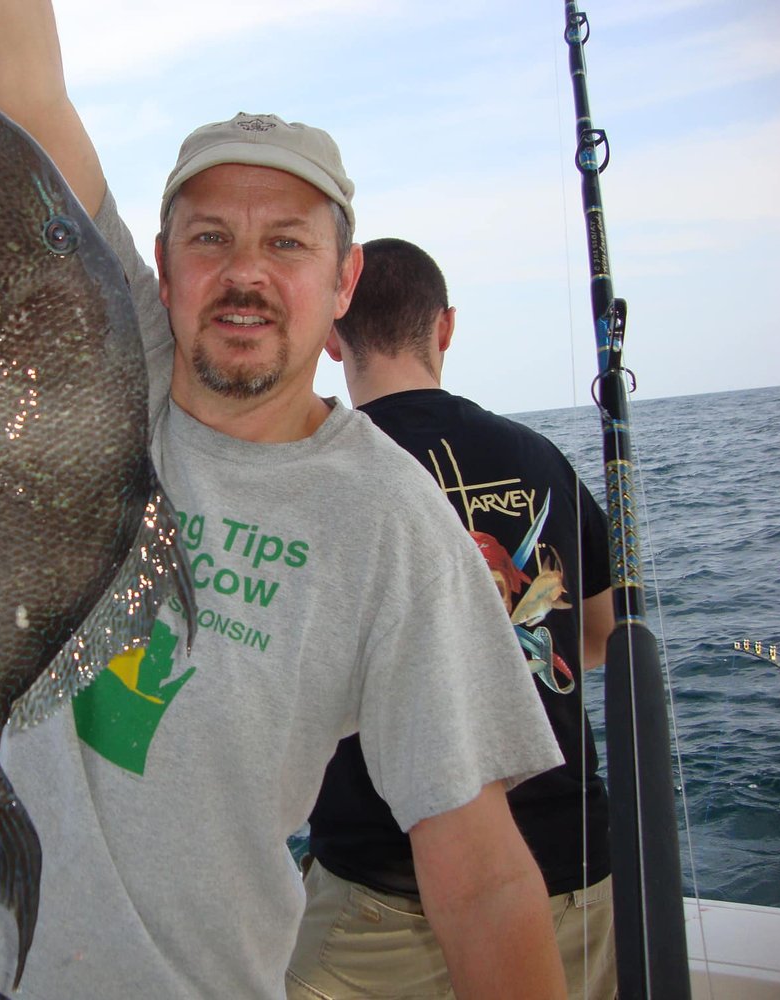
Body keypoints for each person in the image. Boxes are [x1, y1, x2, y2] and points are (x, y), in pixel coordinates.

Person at [0, 4, 569, 997]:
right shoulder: (108, 344)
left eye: (287, 244)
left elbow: (478, 874)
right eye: (209, 237)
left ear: (343, 281)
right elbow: (25, 86)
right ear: (164, 264)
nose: (244, 273)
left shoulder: (391, 521)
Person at [288, 238, 617, 999]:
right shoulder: (541, 460)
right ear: (445, 328)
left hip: (379, 887)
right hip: (569, 877)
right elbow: (596, 638)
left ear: (333, 337)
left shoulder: (319, 475)